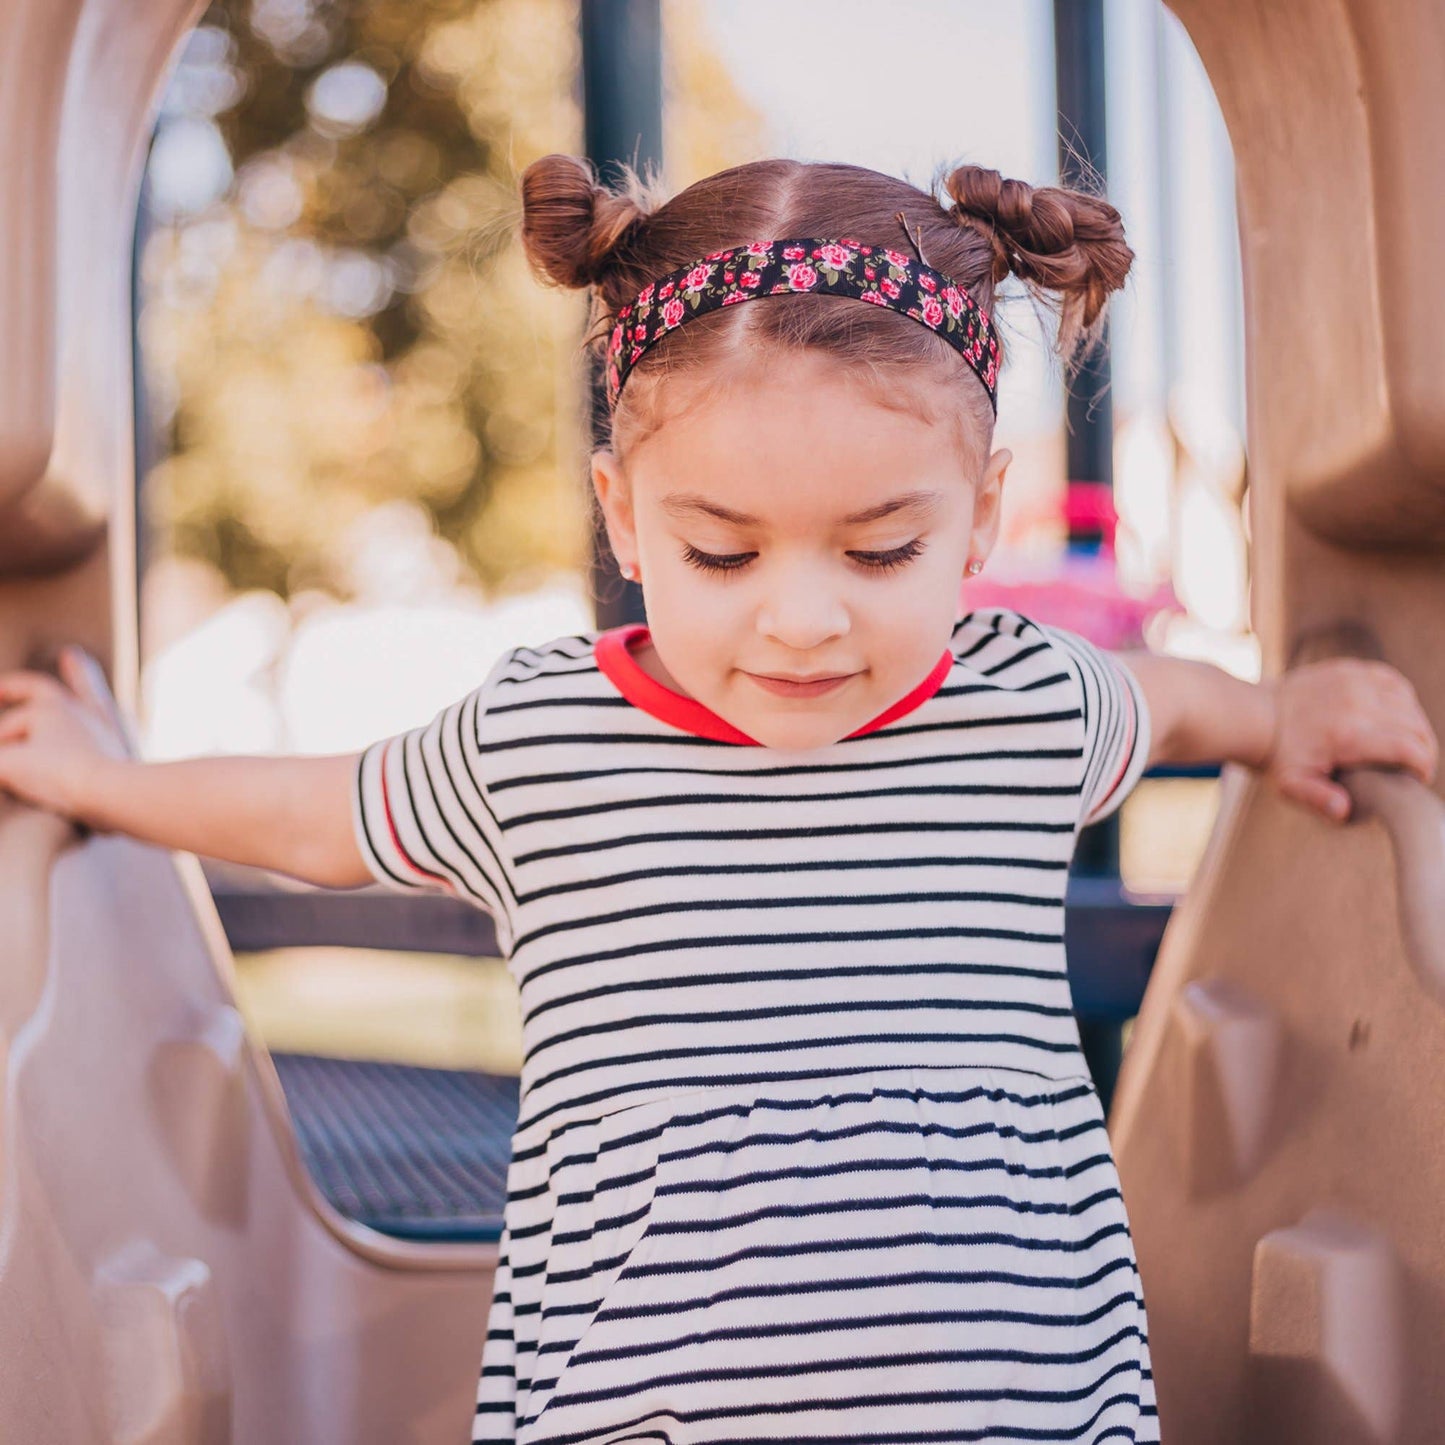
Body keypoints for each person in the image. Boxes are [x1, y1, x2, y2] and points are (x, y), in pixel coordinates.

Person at [0, 153, 1436, 1445]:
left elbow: (1169, 697)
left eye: (880, 551)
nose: (800, 621)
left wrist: (1278, 718)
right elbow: (314, 814)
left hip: (1021, 1410)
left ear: (981, 513)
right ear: (625, 514)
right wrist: (102, 780)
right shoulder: (541, 736)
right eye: (721, 553)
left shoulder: (1023, 700)